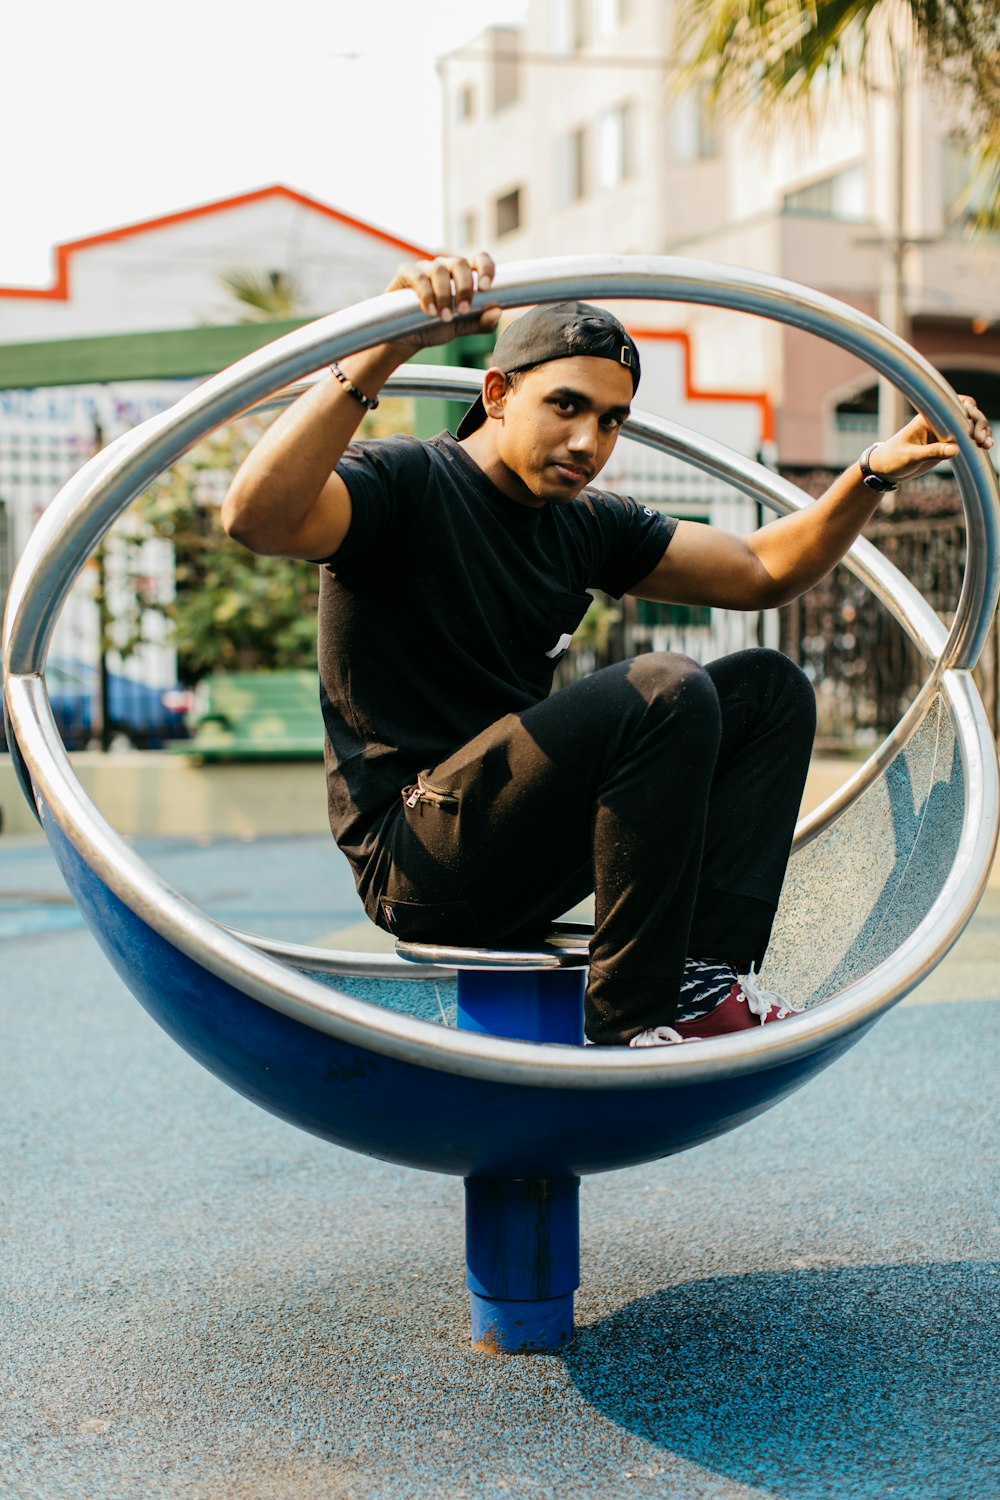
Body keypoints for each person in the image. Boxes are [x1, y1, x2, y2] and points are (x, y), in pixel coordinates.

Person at [222, 253, 994, 1047]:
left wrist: (870, 473)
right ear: (497, 393)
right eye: (566, 406)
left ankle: (705, 978)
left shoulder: (583, 523)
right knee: (665, 688)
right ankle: (629, 1018)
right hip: (417, 858)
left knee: (768, 689)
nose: (589, 441)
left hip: (515, 838)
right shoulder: (406, 481)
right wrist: (385, 347)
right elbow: (257, 518)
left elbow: (763, 568)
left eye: (612, 420)